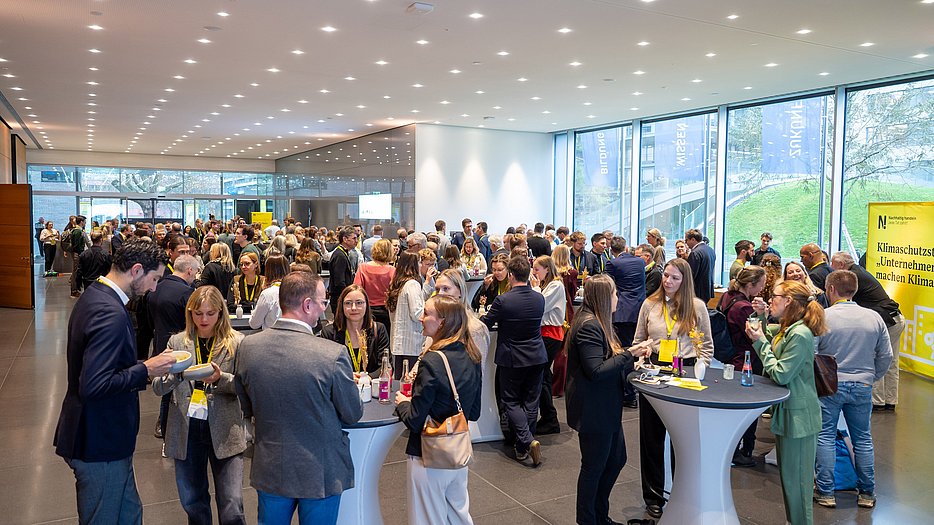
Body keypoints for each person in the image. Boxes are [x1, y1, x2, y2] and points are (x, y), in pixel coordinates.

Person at [54, 239, 177, 524]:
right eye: (155, 279)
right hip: (99, 441)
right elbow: (94, 385)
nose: (154, 289)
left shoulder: (96, 295)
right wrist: (146, 368)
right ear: (137, 270)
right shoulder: (109, 312)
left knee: (130, 513)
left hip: (106, 440)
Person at [236, 272, 363, 524]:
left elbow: (247, 405)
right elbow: (352, 413)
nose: (324, 308)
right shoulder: (332, 353)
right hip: (320, 471)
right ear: (307, 305)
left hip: (270, 466)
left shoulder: (248, 347)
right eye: (322, 302)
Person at [153, 286, 247, 525]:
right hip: (187, 429)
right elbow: (158, 388)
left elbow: (245, 387)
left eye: (210, 313)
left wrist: (220, 379)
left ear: (220, 312)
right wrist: (173, 374)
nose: (204, 319)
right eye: (198, 313)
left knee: (232, 504)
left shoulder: (236, 342)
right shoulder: (177, 342)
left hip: (226, 429)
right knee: (193, 501)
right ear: (190, 313)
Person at [566, 274, 653, 525]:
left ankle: (599, 516)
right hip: (594, 410)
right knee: (594, 467)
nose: (618, 298)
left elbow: (603, 361)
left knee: (615, 460)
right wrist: (629, 354)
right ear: (605, 297)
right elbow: (596, 370)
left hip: (603, 408)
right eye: (615, 293)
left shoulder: (596, 322)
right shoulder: (590, 326)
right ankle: (588, 519)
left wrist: (630, 359)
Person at [633, 258, 714, 519]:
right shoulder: (650, 304)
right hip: (654, 370)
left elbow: (707, 346)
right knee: (651, 437)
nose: (668, 281)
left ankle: (683, 493)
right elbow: (638, 339)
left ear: (685, 281)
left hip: (685, 371)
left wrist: (700, 368)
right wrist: (641, 361)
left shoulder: (697, 307)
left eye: (675, 278)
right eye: (666, 276)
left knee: (683, 438)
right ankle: (653, 496)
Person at [394, 295, 483, 525]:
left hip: (428, 455)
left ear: (442, 322)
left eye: (426, 313)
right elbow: (474, 412)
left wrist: (403, 403)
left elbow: (414, 420)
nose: (421, 318)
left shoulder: (432, 361)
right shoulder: (473, 355)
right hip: (458, 453)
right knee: (459, 517)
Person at [745, 280, 826, 525]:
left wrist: (760, 342)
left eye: (775, 296)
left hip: (799, 419)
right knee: (791, 481)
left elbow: (781, 374)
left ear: (788, 301)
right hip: (790, 414)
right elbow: (773, 339)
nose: (770, 300)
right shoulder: (790, 328)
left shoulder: (799, 334)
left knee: (798, 484)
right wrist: (760, 319)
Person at [813, 270, 893, 510]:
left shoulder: (824, 316)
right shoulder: (874, 318)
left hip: (829, 386)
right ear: (854, 290)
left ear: (831, 289)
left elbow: (812, 352)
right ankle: (867, 493)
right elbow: (886, 355)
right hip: (863, 385)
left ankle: (826, 492)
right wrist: (871, 377)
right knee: (863, 439)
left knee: (825, 436)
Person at [481, 256, 547, 466]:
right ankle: (522, 447)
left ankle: (526, 441)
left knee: (510, 401)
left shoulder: (503, 300)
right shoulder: (539, 298)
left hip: (512, 357)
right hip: (537, 355)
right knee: (531, 401)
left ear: (510, 275)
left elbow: (486, 324)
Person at [830, 251, 905, 411]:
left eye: (833, 264)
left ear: (841, 265)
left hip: (887, 320)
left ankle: (877, 401)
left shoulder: (853, 277)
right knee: (891, 361)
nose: (831, 267)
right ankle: (890, 400)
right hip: (894, 318)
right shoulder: (859, 272)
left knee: (876, 357)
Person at [150, 254, 203, 444]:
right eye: (195, 272)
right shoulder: (187, 293)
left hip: (159, 344)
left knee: (165, 388)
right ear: (189, 270)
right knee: (177, 390)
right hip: (182, 350)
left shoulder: (155, 288)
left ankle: (163, 427)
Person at [718, 265, 768, 467]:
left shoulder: (727, 297)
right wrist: (762, 315)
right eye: (761, 284)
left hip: (732, 360)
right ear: (751, 285)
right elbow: (756, 335)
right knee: (748, 410)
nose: (763, 288)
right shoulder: (744, 308)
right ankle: (742, 450)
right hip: (745, 361)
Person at [605, 236, 646, 409]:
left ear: (611, 250)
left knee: (623, 352)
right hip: (639, 310)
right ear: (626, 247)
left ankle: (627, 393)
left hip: (621, 312)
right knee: (634, 349)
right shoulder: (640, 262)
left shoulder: (612, 264)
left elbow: (607, 286)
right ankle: (632, 391)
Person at [529, 255, 567, 434]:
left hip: (550, 334)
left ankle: (550, 418)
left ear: (547, 269)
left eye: (537, 269)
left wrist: (535, 287)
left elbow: (539, 306)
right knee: (543, 375)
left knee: (542, 375)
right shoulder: (548, 285)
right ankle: (548, 416)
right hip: (545, 333)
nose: (534, 272)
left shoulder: (556, 286)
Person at [320, 284, 390, 375]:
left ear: (366, 305)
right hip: (341, 382)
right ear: (341, 306)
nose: (353, 308)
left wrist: (367, 378)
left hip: (371, 383)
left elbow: (386, 365)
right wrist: (349, 376)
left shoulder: (379, 330)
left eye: (359, 303)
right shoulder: (329, 333)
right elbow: (324, 367)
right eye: (348, 303)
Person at [433, 269, 492, 371]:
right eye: (437, 290)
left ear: (460, 291)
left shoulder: (475, 329)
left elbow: (477, 372)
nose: (440, 294)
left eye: (446, 289)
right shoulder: (436, 323)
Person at [387, 252, 427, 377]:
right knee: (408, 380)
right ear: (414, 264)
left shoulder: (396, 283)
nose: (421, 265)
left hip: (399, 342)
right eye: (419, 262)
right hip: (411, 343)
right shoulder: (412, 284)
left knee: (399, 378)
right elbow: (417, 313)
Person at [550, 244, 579, 397]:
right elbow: (572, 295)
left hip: (551, 314)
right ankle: (559, 386)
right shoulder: (571, 273)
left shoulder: (550, 272)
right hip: (566, 313)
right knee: (563, 352)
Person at [354, 238, 396, 331]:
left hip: (367, 309)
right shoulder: (392, 270)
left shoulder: (363, 268)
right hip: (386, 310)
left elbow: (357, 289)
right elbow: (395, 292)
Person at [250, 254, 290, 330]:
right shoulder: (296, 291)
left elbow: (254, 324)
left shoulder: (267, 294)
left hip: (272, 335)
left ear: (268, 271)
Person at [329, 226, 359, 314]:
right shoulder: (340, 256)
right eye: (354, 238)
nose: (356, 241)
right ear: (345, 239)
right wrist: (348, 296)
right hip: (340, 298)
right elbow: (339, 282)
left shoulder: (342, 253)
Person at [684, 228, 715, 303]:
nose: (685, 243)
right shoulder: (710, 250)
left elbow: (691, 275)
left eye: (686, 240)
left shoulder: (695, 253)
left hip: (697, 291)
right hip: (707, 288)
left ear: (693, 239)